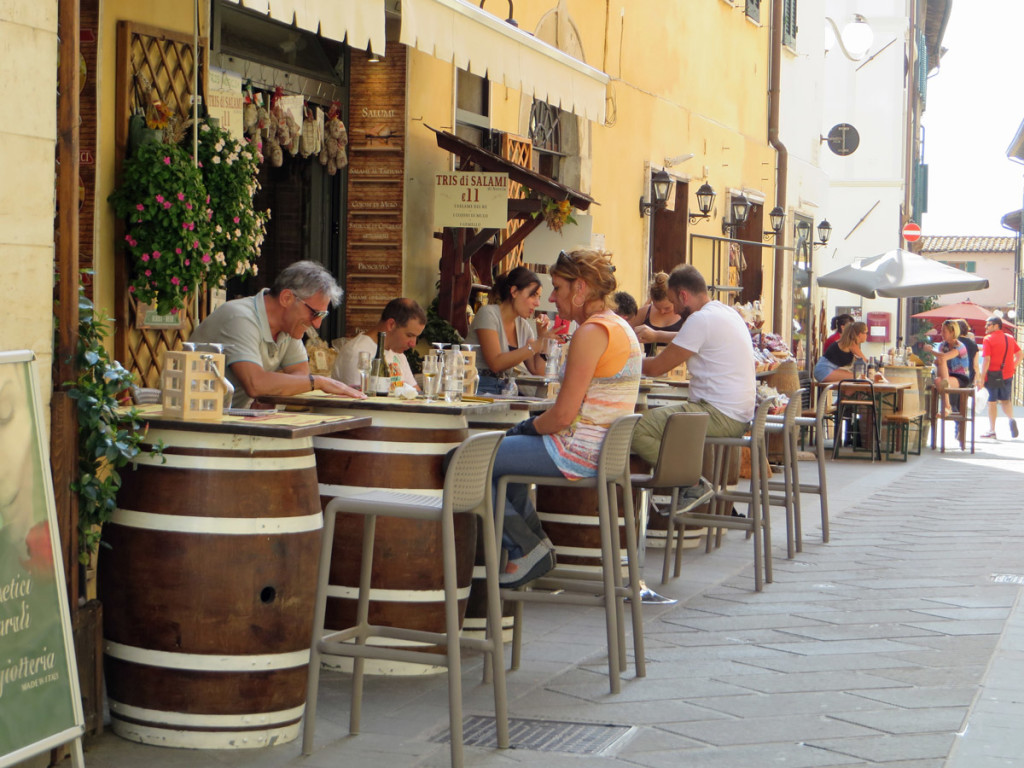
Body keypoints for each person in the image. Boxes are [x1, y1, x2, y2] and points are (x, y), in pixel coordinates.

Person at [492, 248, 641, 587]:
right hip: (603, 451)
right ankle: (532, 546)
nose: (554, 298)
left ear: (580, 289)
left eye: (558, 288)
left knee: (473, 460)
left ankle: (526, 548)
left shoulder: (591, 332)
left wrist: (525, 427)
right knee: (507, 464)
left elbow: (562, 416)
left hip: (577, 450)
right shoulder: (621, 328)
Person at [189, 260, 364, 407]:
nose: (317, 324)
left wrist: (273, 387)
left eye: (322, 316)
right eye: (314, 313)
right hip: (189, 426)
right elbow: (256, 384)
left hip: (227, 423)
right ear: (287, 298)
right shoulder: (240, 317)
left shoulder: (289, 328)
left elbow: (300, 374)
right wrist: (318, 382)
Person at [631, 265, 755, 466]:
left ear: (683, 296)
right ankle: (684, 479)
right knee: (657, 422)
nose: (676, 312)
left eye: (672, 302)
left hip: (719, 414)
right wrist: (658, 335)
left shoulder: (700, 320)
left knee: (635, 429)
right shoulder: (724, 311)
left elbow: (655, 368)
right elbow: (688, 338)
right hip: (736, 413)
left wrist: (621, 360)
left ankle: (687, 479)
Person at [464, 266, 552, 394]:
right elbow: (495, 363)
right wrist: (535, 346)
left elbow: (538, 371)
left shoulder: (524, 326)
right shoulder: (488, 314)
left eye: (539, 297)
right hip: (477, 387)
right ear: (514, 292)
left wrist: (543, 338)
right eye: (533, 295)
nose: (537, 303)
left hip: (505, 389)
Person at [332, 298, 426, 390]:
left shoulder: (398, 354)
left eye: (416, 337)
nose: (413, 344)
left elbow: (415, 393)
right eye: (409, 335)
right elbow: (358, 402)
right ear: (391, 325)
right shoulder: (358, 352)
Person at [978, 316, 1022, 439]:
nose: (986, 327)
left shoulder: (988, 339)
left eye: (988, 324)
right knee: (1005, 400)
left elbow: (986, 359)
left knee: (992, 402)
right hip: (1007, 374)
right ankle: (1011, 419)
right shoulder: (1010, 338)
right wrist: (1013, 367)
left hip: (992, 375)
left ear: (996, 325)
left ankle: (992, 430)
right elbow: (1020, 355)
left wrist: (981, 378)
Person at [632, 271, 684, 355]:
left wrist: (656, 336)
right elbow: (627, 334)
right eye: (657, 307)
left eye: (667, 308)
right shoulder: (645, 312)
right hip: (650, 365)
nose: (662, 311)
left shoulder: (685, 314)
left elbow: (691, 338)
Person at [932, 319, 970, 416]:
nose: (941, 333)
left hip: (961, 377)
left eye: (944, 331)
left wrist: (930, 351)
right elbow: (939, 361)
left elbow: (944, 357)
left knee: (942, 359)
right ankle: (947, 407)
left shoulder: (960, 346)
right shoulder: (942, 345)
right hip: (947, 376)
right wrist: (936, 362)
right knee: (937, 380)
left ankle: (947, 407)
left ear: (952, 332)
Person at [956, 319, 979, 385]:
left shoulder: (951, 342)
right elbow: (975, 365)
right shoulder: (973, 344)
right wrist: (978, 380)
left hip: (953, 376)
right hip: (968, 376)